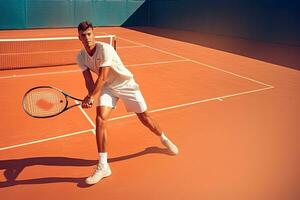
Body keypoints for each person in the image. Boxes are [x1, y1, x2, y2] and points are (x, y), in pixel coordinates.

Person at [76, 21, 179, 185]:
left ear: (93, 34)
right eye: (83, 35)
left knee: (145, 118)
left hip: (126, 85)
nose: (87, 38)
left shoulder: (105, 49)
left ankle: (164, 139)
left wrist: (90, 97)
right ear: (79, 37)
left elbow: (102, 77)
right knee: (100, 118)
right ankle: (103, 166)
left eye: (89, 34)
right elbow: (89, 81)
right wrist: (90, 95)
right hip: (108, 88)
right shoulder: (80, 56)